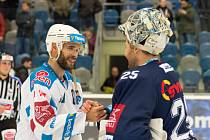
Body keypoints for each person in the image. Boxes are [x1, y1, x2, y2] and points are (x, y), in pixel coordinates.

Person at [104, 8, 196, 140]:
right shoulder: (166, 71)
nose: (125, 47)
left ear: (135, 47)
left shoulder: (137, 78)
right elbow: (153, 105)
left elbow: (127, 136)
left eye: (126, 41)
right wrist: (109, 111)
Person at [15, 24, 106, 140]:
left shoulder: (73, 82)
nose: (75, 55)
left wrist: (83, 110)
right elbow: (44, 130)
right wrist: (83, 117)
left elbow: (67, 123)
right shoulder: (39, 82)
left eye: (77, 50)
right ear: (54, 48)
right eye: (70, 48)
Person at [0, 53, 21, 140]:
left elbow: (19, 106)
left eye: (9, 63)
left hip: (9, 122)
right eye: (4, 63)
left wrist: (17, 124)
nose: (7, 66)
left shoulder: (16, 82)